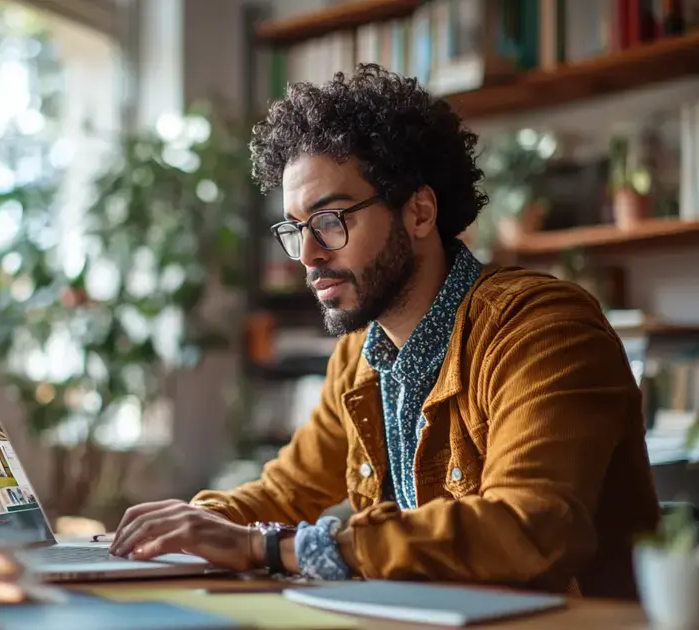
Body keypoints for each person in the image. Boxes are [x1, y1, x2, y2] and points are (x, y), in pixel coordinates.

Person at [111, 64, 660, 599]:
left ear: (419, 212)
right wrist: (191, 524)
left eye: (330, 220)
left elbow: (528, 528)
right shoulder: (360, 355)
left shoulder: (542, 328)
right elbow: (288, 490)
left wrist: (272, 548)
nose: (307, 255)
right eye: (294, 228)